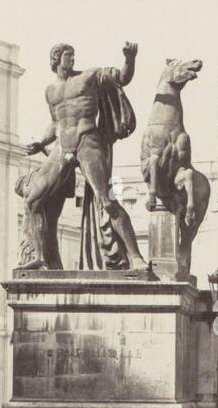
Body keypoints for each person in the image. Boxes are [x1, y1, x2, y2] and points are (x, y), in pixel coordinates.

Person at [22, 40, 146, 268]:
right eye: (68, 56)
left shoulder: (89, 77)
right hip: (61, 147)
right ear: (56, 59)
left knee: (106, 200)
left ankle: (136, 257)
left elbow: (122, 78)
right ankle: (40, 258)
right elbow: (55, 123)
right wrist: (40, 142)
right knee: (32, 199)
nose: (72, 59)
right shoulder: (50, 91)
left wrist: (130, 59)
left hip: (87, 140)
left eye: (73, 56)